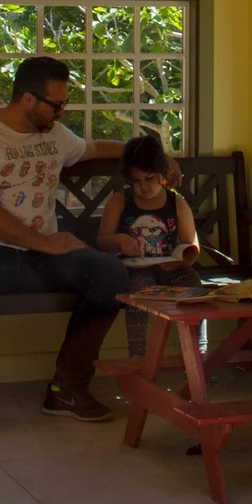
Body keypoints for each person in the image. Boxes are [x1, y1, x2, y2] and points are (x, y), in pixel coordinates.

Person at [0, 54, 178, 434]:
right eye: (56, 105)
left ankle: (67, 389)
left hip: (39, 253)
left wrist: (154, 156)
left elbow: (94, 148)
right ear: (28, 100)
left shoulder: (54, 135)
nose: (61, 112)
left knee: (108, 275)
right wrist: (46, 242)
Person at [98, 133, 203, 357]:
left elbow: (190, 243)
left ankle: (198, 354)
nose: (143, 187)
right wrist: (120, 239)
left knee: (194, 284)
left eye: (149, 178)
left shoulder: (176, 202)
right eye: (136, 181)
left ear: (162, 175)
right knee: (139, 292)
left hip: (168, 267)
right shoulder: (120, 201)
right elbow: (102, 239)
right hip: (134, 270)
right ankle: (138, 354)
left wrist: (181, 260)